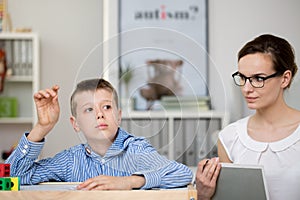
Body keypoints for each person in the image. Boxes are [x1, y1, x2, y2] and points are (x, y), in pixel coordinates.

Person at [6, 78, 193, 190]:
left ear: (118, 116)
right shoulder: (70, 161)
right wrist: (42, 127)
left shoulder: (136, 150)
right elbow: (9, 178)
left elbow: (182, 173)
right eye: (89, 109)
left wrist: (129, 182)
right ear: (75, 124)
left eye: (107, 106)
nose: (99, 114)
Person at [196, 34, 300, 200]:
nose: (246, 88)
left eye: (258, 79)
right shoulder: (229, 138)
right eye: (243, 78)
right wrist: (203, 196)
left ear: (285, 79)